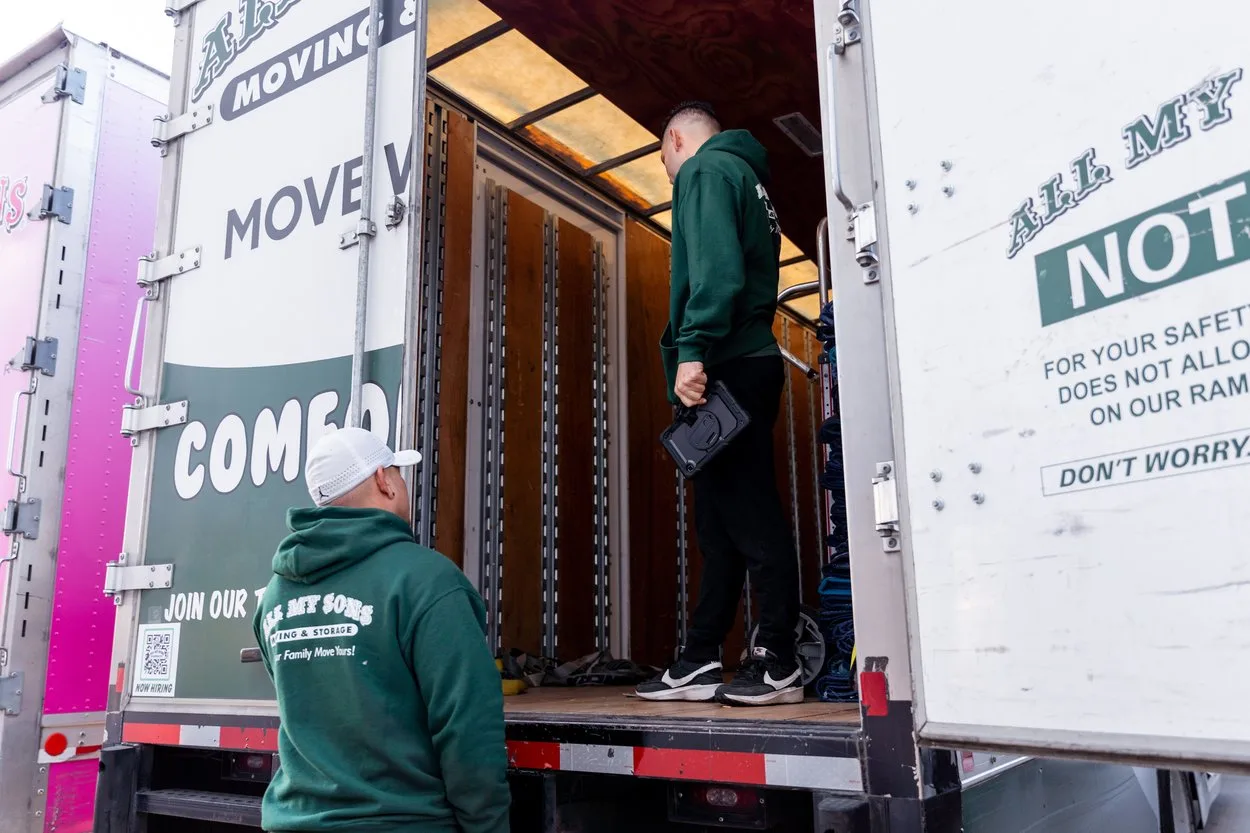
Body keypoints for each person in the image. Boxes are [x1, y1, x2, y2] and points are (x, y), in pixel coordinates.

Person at [252, 426, 510, 832]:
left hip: (294, 821)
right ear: (382, 480)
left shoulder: (275, 596)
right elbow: (467, 727)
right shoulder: (426, 581)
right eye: (397, 471)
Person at [636, 101, 801, 707]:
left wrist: (693, 349)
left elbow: (716, 272)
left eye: (664, 163)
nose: (670, 177)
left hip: (728, 364)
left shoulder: (706, 172)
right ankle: (703, 655)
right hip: (743, 364)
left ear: (676, 139)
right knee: (721, 523)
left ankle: (778, 658)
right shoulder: (749, 180)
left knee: (749, 514)